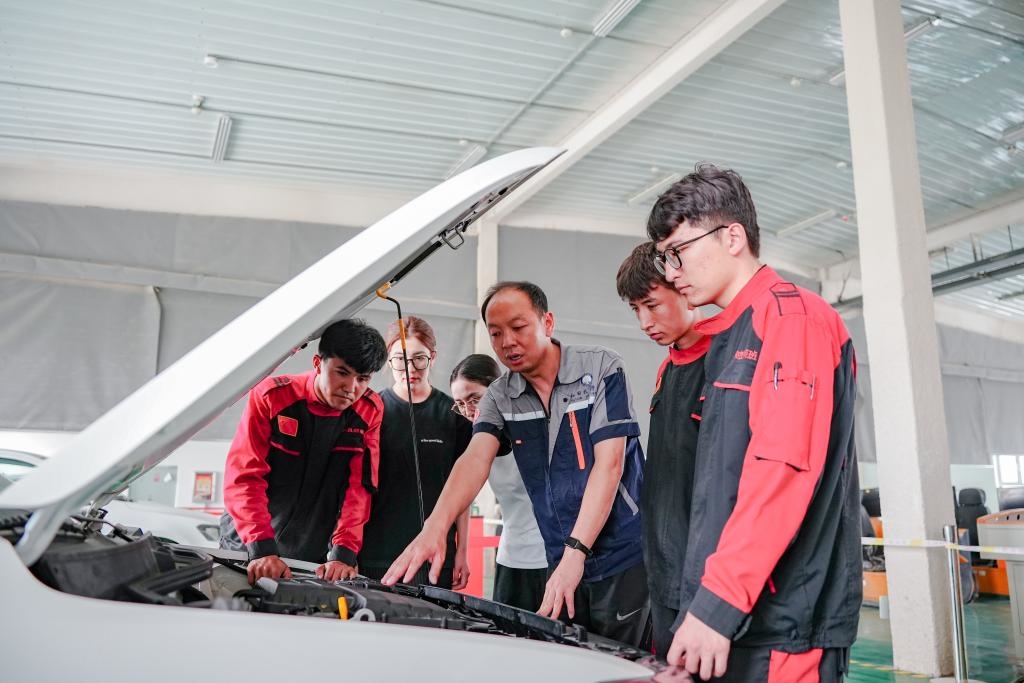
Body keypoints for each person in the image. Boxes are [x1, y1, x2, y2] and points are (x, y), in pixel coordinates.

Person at [648, 164, 860, 682]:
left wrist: (717, 604)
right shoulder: (724, 336)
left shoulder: (793, 319)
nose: (671, 272)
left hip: (782, 623)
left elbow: (781, 470)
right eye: (664, 257)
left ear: (733, 237)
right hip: (732, 613)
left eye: (679, 251)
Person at [383, 282, 650, 647]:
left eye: (518, 327)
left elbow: (610, 465)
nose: (507, 341)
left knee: (624, 660)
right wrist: (435, 526)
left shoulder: (601, 367)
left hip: (621, 556)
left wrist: (576, 552)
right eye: (496, 333)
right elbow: (475, 457)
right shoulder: (500, 397)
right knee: (567, 661)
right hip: (559, 557)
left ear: (547, 322)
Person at [219, 318, 387, 585]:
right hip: (248, 543)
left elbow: (359, 488)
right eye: (342, 373)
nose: (351, 387)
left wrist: (343, 554)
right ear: (318, 363)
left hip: (310, 553)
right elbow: (244, 477)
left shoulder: (369, 410)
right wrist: (261, 548)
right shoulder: (272, 396)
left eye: (362, 379)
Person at [615, 241, 709, 658]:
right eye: (636, 310)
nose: (644, 322)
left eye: (652, 305)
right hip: (663, 564)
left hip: (707, 573)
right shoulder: (667, 368)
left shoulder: (728, 361)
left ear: (684, 287)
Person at [359, 316, 473, 589]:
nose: (410, 369)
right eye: (400, 359)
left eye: (419, 358)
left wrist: (462, 551)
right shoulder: (370, 411)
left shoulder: (454, 415)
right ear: (388, 360)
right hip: (376, 553)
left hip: (434, 555)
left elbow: (463, 491)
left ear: (433, 357)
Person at [449, 353, 547, 611]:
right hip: (511, 556)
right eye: (460, 404)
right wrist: (461, 551)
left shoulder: (535, 426)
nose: (468, 411)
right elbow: (463, 496)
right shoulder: (475, 441)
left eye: (475, 399)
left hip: (549, 558)